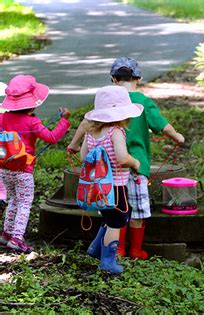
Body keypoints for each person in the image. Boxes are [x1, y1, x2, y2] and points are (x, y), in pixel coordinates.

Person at [68, 57, 184, 260]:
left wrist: (74, 144)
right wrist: (178, 137)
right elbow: (162, 125)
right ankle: (136, 250)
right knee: (136, 210)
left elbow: (85, 125)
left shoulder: (103, 107)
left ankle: (118, 250)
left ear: (113, 79)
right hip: (135, 166)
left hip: (107, 170)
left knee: (114, 208)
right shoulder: (143, 102)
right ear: (138, 79)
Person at [0, 75, 71, 252]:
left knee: (13, 200)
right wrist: (64, 120)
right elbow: (52, 137)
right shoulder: (32, 121)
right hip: (24, 170)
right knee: (24, 202)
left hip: (4, 168)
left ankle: (6, 234)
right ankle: (16, 238)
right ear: (32, 103)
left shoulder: (3, 118)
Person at [80, 85, 142, 273]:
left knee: (110, 215)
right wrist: (135, 162)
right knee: (117, 221)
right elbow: (122, 158)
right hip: (115, 186)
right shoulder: (116, 132)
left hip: (98, 187)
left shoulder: (90, 133)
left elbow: (83, 157)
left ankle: (95, 248)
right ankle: (108, 262)